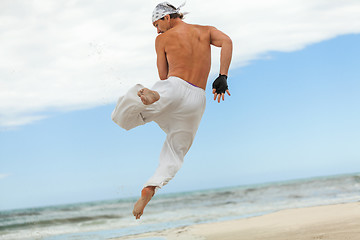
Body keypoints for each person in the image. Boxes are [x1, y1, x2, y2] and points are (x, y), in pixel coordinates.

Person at [111, 2, 232, 219]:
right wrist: (222, 76)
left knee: (123, 116)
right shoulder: (206, 31)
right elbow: (227, 42)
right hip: (198, 98)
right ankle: (152, 186)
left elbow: (163, 75)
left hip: (172, 87)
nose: (157, 31)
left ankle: (150, 97)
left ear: (167, 17)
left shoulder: (162, 39)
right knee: (177, 150)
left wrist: (163, 97)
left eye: (157, 25)